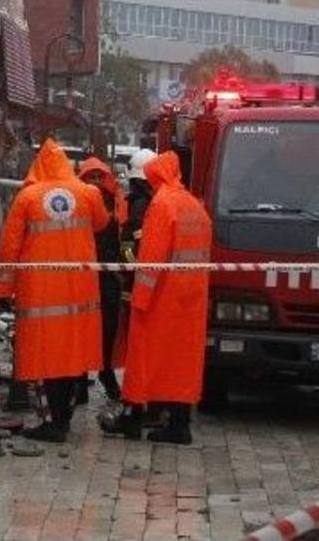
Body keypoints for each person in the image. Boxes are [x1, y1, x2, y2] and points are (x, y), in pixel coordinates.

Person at [0, 139, 109, 443]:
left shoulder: (27, 197)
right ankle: (64, 417)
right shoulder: (89, 193)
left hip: (40, 295)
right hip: (80, 295)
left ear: (39, 164)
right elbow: (102, 222)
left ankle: (51, 423)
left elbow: (9, 248)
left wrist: (3, 288)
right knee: (72, 358)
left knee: (43, 360)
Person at [103, 151, 212, 444]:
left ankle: (133, 418)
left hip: (161, 299)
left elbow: (151, 258)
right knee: (181, 362)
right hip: (191, 299)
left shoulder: (163, 205)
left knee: (142, 358)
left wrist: (140, 298)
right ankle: (179, 422)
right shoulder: (195, 206)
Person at [78, 156, 129, 402]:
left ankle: (105, 371)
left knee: (107, 328)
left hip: (108, 275)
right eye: (91, 177)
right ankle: (78, 380)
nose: (96, 181)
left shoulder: (116, 203)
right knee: (80, 329)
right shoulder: (78, 203)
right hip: (83, 275)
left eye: (99, 176)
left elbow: (125, 236)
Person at [122, 149, 159, 258]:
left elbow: (129, 244)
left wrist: (128, 263)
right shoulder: (153, 199)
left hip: (141, 261)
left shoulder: (140, 202)